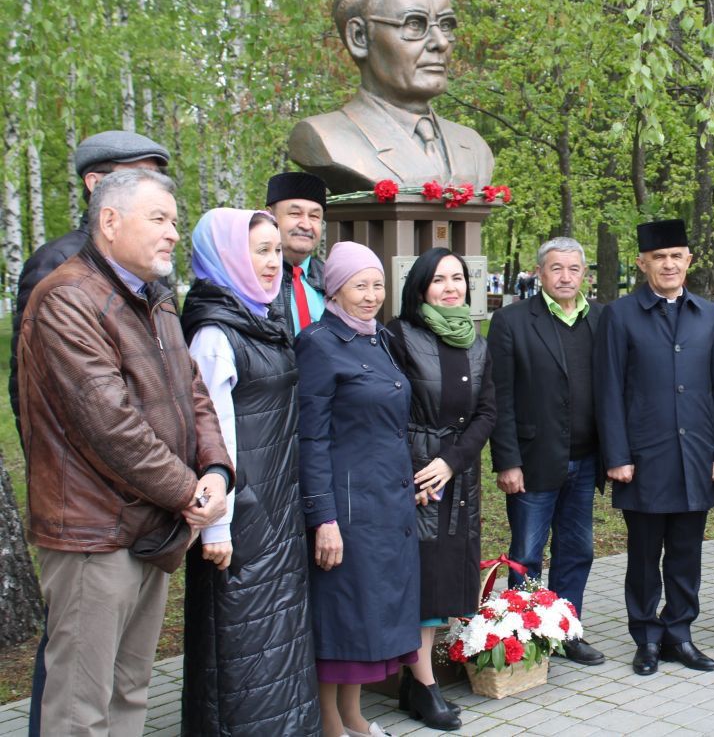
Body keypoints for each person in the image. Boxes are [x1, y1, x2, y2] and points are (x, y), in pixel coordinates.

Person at [17, 169, 232, 735]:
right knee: (79, 709)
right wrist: (190, 492)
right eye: (158, 219)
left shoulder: (154, 299)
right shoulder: (68, 297)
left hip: (151, 527)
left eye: (174, 222)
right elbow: (109, 424)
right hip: (93, 534)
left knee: (130, 693)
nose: (171, 234)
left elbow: (193, 393)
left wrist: (215, 471)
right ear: (109, 222)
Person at [8, 130, 170, 737]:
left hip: (142, 508)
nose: (167, 222)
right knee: (76, 687)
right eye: (141, 181)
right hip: (90, 513)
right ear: (98, 187)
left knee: (123, 684)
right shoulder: (60, 271)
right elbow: (46, 401)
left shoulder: (147, 279)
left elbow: (177, 391)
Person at [179, 208, 321, 735]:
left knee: (279, 643)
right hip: (239, 522)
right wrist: (216, 524)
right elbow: (210, 433)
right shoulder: (215, 334)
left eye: (275, 251)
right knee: (238, 651)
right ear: (226, 257)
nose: (271, 262)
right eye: (259, 251)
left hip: (277, 507)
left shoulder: (261, 318)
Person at [593, 218, 714, 676]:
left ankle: (680, 634)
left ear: (688, 261)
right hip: (644, 460)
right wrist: (617, 456)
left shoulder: (709, 315)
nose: (669, 264)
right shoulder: (619, 316)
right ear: (642, 263)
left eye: (676, 256)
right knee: (643, 557)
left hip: (695, 457)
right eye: (659, 257)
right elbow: (609, 390)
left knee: (686, 555)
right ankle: (646, 638)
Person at [296, 242, 419, 737]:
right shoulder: (319, 342)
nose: (371, 296)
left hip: (386, 499)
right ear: (336, 288)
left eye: (377, 285)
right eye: (359, 285)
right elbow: (311, 437)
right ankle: (330, 724)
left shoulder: (379, 339)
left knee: (365, 615)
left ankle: (353, 717)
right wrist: (323, 518)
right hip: (348, 507)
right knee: (342, 616)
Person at [386, 249, 497, 731]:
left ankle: (418, 684)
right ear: (420, 288)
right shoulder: (398, 335)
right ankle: (425, 687)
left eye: (458, 278)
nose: (450, 287)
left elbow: (487, 412)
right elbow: (387, 410)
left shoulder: (477, 341)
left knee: (446, 580)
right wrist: (418, 469)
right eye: (438, 280)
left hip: (456, 478)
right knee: (424, 583)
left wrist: (451, 463)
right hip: (415, 479)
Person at [488, 237, 606, 666]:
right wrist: (507, 461)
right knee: (526, 555)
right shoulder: (512, 322)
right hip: (533, 462)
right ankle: (526, 638)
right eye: (556, 268)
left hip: (587, 460)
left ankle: (566, 630)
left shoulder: (601, 320)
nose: (565, 276)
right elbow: (498, 398)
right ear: (539, 273)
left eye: (574, 269)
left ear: (584, 275)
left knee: (578, 551)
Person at [288, 0, 493, 193]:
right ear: (360, 37)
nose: (441, 42)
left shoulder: (474, 148)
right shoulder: (326, 137)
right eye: (415, 24)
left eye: (446, 25)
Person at [265, 171, 328, 336]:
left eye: (314, 216)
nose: (306, 225)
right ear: (270, 216)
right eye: (295, 214)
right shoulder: (251, 279)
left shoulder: (331, 279)